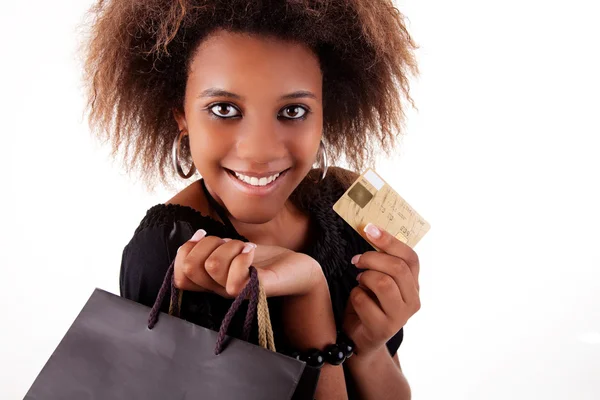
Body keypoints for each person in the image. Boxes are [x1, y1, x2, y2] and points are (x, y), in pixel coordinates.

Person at [81, 1, 421, 398]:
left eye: (293, 110)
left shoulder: (352, 202)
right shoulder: (172, 253)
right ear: (181, 116)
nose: (259, 151)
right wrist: (308, 292)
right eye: (224, 109)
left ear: (325, 113)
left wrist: (368, 350)